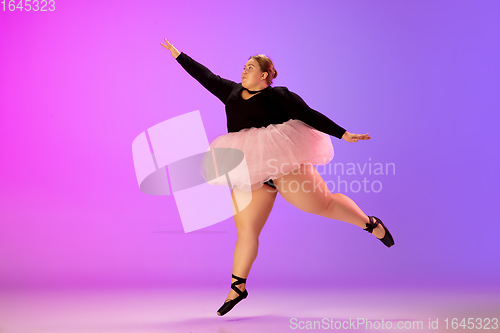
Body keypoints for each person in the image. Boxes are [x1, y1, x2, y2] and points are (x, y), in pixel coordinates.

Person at [160, 38, 395, 316]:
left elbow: (308, 115)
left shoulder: (279, 95)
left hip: (283, 161)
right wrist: (178, 55)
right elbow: (206, 77)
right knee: (246, 230)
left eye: (250, 67)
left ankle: (369, 223)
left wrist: (343, 134)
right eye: (244, 66)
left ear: (264, 75)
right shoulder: (231, 92)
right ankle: (238, 287)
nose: (244, 70)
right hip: (250, 168)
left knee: (323, 205)